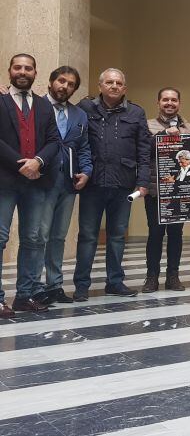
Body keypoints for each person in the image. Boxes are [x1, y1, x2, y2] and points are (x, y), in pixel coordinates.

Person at [73, 68, 151, 301]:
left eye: (118, 83)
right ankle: (81, 285)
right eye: (109, 82)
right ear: (100, 86)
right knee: (87, 235)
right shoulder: (85, 108)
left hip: (123, 186)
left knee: (117, 236)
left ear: (124, 88)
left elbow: (144, 151)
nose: (114, 86)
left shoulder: (136, 112)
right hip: (93, 183)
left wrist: (143, 182)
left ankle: (115, 282)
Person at [0, 54, 60, 316]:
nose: (23, 72)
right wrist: (20, 164)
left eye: (28, 68)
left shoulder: (45, 106)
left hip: (37, 182)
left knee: (33, 239)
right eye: (18, 67)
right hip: (4, 181)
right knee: (0, 238)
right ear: (10, 71)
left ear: (36, 73)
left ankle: (24, 296)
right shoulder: (0, 100)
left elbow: (54, 140)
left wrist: (37, 161)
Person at [35, 66, 93, 304]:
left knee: (58, 236)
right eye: (61, 81)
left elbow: (85, 147)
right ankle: (34, 286)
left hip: (68, 183)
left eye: (71, 84)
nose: (65, 87)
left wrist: (87, 171)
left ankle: (54, 285)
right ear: (50, 82)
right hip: (41, 182)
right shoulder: (37, 107)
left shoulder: (79, 115)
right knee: (40, 235)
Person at [143, 87, 190, 293]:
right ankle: (151, 278)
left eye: (174, 100)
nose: (170, 103)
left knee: (176, 235)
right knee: (155, 235)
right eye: (165, 100)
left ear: (179, 103)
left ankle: (173, 276)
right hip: (156, 192)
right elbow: (143, 152)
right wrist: (162, 135)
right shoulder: (148, 125)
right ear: (158, 102)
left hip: (181, 192)